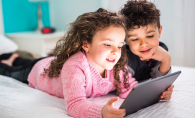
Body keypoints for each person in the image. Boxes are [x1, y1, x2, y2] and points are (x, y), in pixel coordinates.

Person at [0, 8, 172, 118]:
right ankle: (11, 60)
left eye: (119, 46)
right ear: (86, 44)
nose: (115, 51)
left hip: (52, 64)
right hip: (40, 72)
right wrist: (101, 112)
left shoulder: (115, 65)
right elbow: (75, 105)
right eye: (107, 44)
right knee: (10, 71)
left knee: (20, 59)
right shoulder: (75, 67)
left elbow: (130, 88)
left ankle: (14, 57)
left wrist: (156, 94)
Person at [120, 0, 173, 100]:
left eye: (149, 36)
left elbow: (160, 82)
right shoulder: (124, 58)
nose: (143, 44)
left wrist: (166, 59)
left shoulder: (161, 51)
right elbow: (125, 89)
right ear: (125, 39)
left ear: (159, 31)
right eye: (135, 39)